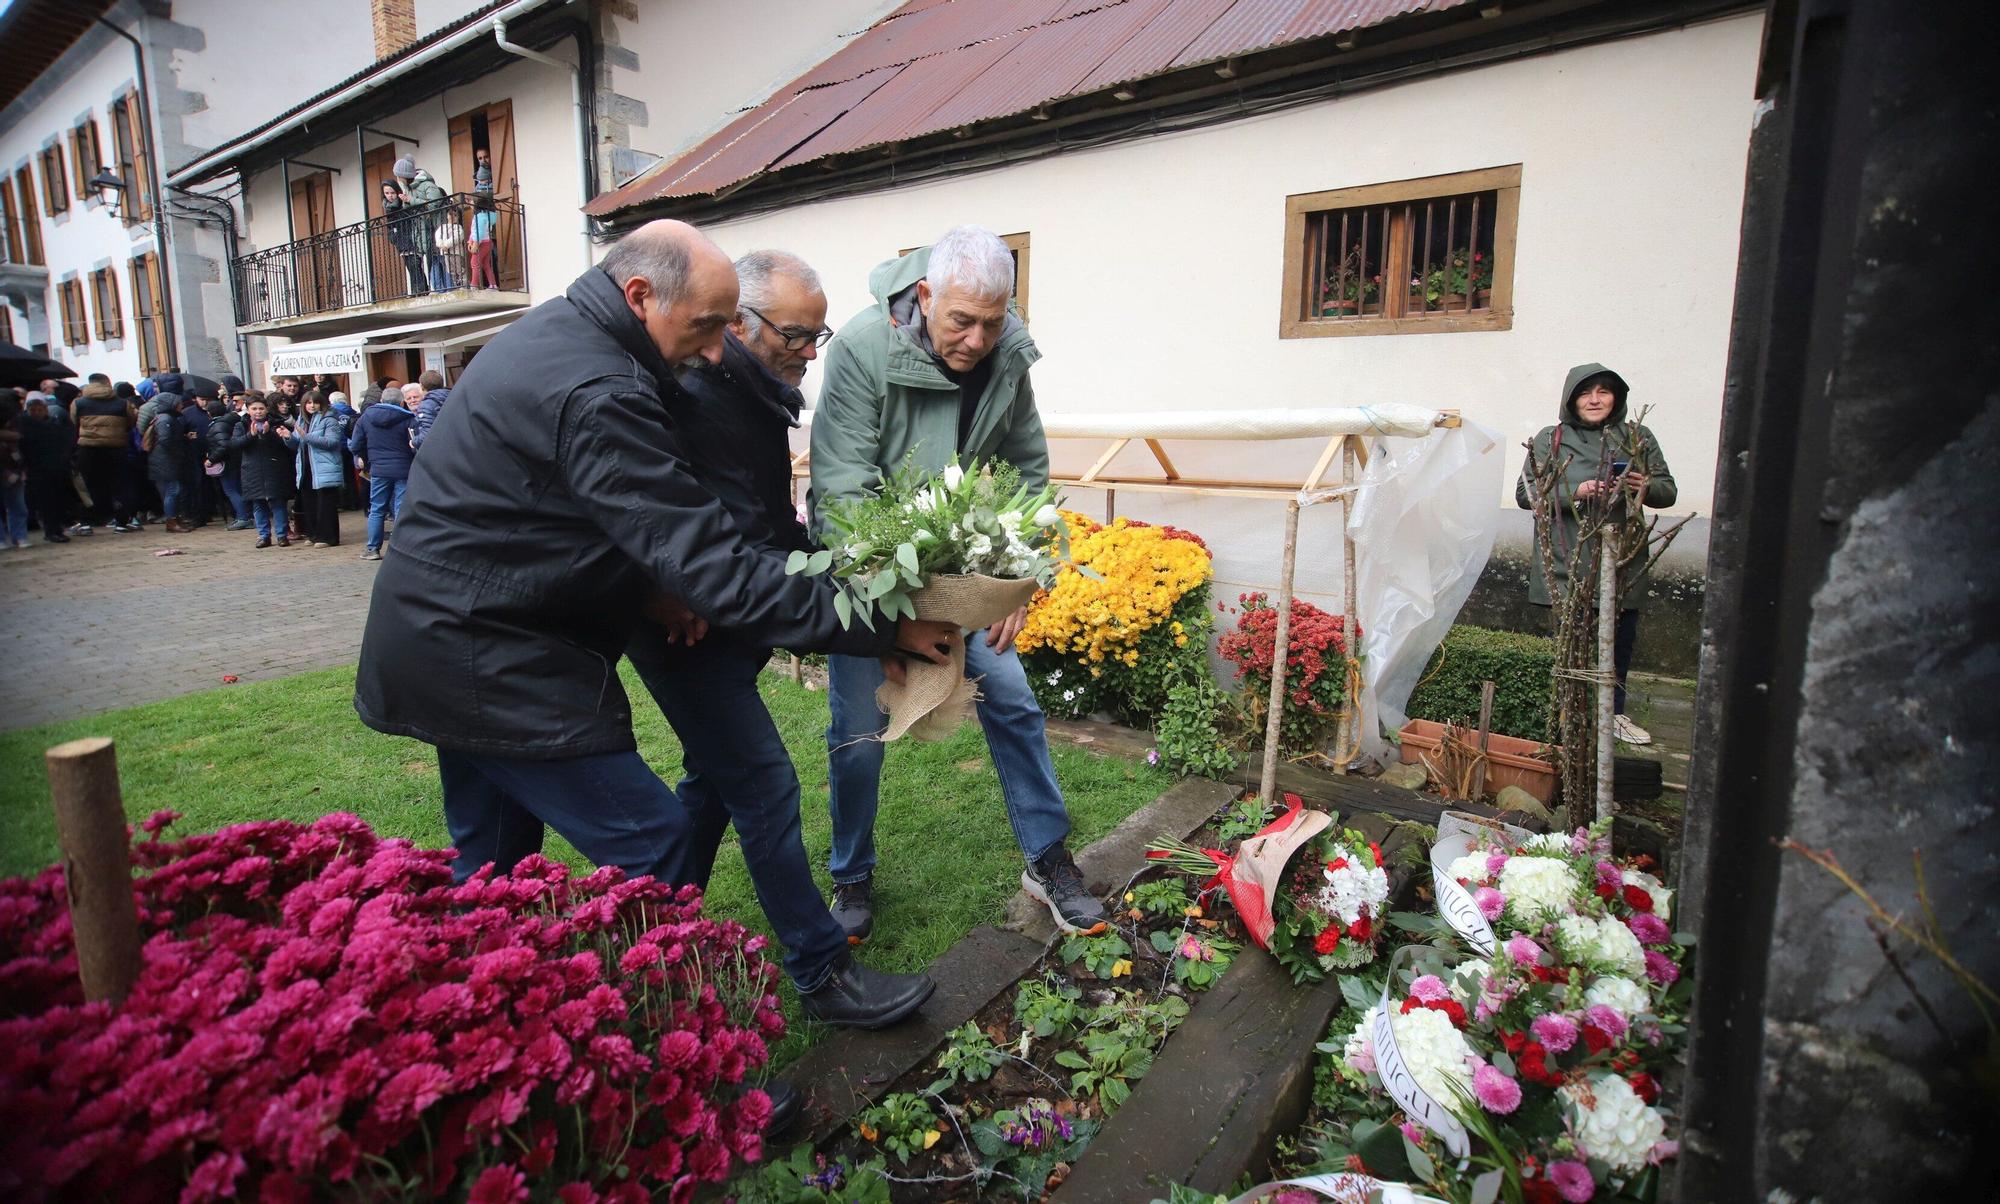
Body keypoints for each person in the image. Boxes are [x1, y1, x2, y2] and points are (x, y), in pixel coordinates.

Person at [353, 220, 956, 1030]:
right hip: (492, 655)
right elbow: (714, 565)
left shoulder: (571, 341)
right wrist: (879, 629)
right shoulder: (603, 389)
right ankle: (696, 1057)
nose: (714, 350)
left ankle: (481, 1034)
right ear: (640, 295)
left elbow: (682, 528)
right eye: (708, 325)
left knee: (492, 878)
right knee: (651, 850)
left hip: (445, 640)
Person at [811, 224, 1107, 939]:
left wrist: (1019, 579)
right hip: (873, 577)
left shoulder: (1007, 352)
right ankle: (852, 873)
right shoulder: (859, 350)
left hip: (963, 573)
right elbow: (843, 491)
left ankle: (1046, 858)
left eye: (991, 321)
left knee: (1012, 701)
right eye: (960, 321)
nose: (976, 340)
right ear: (924, 296)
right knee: (858, 728)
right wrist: (892, 617)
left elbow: (1028, 470)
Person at [624, 248, 866, 1002]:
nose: (807, 354)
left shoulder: (752, 393)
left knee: (712, 781)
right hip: (687, 628)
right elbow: (718, 549)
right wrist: (866, 625)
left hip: (726, 625)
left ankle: (653, 927)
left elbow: (771, 530)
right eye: (795, 335)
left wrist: (846, 585)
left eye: (815, 338)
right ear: (737, 322)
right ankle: (823, 974)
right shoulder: (697, 391)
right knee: (762, 783)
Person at [1514, 363, 1678, 746]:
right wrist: (1577, 490)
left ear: (1616, 398)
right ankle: (1567, 717)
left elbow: (1668, 492)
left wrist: (1645, 484)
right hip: (1568, 559)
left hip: (1621, 558)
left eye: (1604, 391)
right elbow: (1527, 495)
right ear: (1571, 398)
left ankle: (1614, 715)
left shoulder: (1637, 436)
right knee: (1571, 643)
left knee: (1619, 642)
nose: (1594, 399)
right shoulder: (1550, 439)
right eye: (1586, 392)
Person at [348, 381, 416, 560]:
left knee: (377, 508)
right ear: (402, 402)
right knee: (401, 507)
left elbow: (355, 444)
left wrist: (366, 458)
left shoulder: (366, 417)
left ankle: (373, 549)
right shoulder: (409, 418)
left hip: (378, 469)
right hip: (404, 468)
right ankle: (402, 549)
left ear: (381, 400)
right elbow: (415, 444)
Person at [230, 396, 295, 547]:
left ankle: (282, 535)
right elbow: (234, 444)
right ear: (248, 410)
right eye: (254, 409)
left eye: (261, 408)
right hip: (252, 470)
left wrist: (268, 434)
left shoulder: (276, 423)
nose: (258, 412)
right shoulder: (241, 425)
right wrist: (251, 435)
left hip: (274, 468)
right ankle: (263, 535)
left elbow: (286, 444)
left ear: (266, 409)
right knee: (258, 504)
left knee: (278, 503)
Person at [72, 379, 135, 532]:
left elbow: (74, 423)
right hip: (116, 448)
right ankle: (120, 522)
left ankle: (86, 522)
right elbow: (131, 422)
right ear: (107, 384)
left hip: (88, 448)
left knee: (85, 486)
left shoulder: (78, 403)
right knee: (119, 485)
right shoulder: (122, 403)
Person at [18, 395, 74, 543]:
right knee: (46, 503)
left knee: (57, 501)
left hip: (56, 468)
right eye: (33, 410)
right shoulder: (25, 426)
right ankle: (51, 531)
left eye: (39, 410)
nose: (36, 412)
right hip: (37, 470)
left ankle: (56, 530)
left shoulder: (53, 425)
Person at [295, 390, 348, 547]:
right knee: (309, 503)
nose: (312, 406)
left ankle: (328, 537)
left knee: (325, 504)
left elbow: (332, 442)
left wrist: (307, 437)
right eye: (309, 403)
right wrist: (287, 437)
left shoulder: (329, 419)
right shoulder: (301, 420)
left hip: (325, 467)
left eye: (315, 402)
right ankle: (313, 534)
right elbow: (296, 443)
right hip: (306, 467)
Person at [144, 391, 195, 534]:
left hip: (163, 460)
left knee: (171, 491)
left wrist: (183, 437)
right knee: (172, 490)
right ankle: (171, 520)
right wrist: (179, 445)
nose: (181, 406)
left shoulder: (165, 417)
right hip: (165, 461)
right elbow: (166, 440)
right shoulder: (166, 419)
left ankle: (174, 518)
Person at [206, 399, 250, 529]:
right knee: (238, 489)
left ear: (209, 413)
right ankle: (246, 515)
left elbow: (223, 446)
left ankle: (243, 517)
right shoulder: (232, 420)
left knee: (231, 490)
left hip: (227, 462)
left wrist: (211, 459)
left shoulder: (218, 425)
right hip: (237, 460)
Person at [382, 180, 428, 298]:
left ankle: (421, 290)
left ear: (397, 191)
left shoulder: (402, 202)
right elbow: (390, 225)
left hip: (410, 237)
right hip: (400, 240)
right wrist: (393, 236)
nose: (390, 196)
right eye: (386, 193)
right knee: (410, 265)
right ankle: (416, 290)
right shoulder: (387, 206)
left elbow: (409, 218)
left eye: (392, 192)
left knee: (414, 264)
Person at [0, 392, 25, 549]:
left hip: (14, 470)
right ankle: (17, 537)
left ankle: (18, 537)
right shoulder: (16, 422)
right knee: (17, 506)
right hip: (12, 469)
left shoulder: (16, 422)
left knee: (18, 506)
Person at [409, 370, 449, 451]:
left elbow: (428, 433)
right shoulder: (451, 397)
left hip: (438, 450)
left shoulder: (427, 404)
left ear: (422, 386)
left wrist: (414, 441)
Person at [468, 193, 499, 291]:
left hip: (482, 243)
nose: (469, 203)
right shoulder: (485, 215)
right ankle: (493, 285)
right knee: (486, 264)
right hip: (487, 242)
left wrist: (475, 243)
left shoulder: (480, 216)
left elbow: (479, 232)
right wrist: (470, 241)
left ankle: (474, 285)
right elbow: (475, 231)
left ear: (477, 203)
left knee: (474, 262)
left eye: (471, 201)